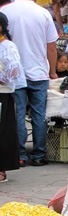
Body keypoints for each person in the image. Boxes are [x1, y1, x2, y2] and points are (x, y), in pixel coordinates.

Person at [1, 0, 59, 168]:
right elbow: (51, 46)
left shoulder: (5, 11)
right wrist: (52, 71)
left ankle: (20, 155)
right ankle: (39, 154)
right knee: (38, 114)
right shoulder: (43, 13)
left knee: (18, 114)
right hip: (38, 72)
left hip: (15, 74)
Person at [0, 13, 27, 183]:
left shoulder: (8, 46)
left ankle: (1, 169)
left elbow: (13, 72)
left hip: (2, 93)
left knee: (1, 132)